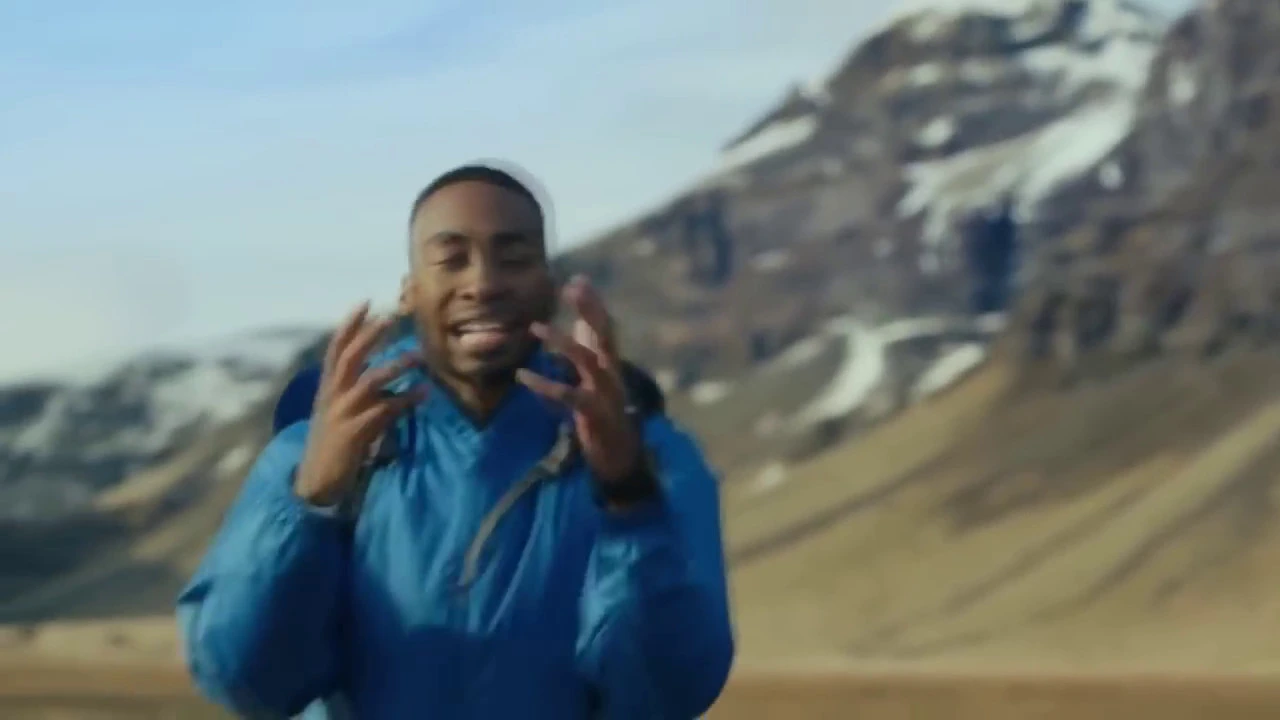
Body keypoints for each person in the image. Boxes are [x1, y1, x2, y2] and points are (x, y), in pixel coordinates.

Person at [177, 164, 735, 719]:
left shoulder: (653, 459)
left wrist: (629, 498)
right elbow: (245, 681)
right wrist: (311, 504)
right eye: (451, 259)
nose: (483, 284)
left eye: (514, 258)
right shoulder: (313, 456)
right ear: (410, 292)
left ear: (550, 285)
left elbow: (667, 695)